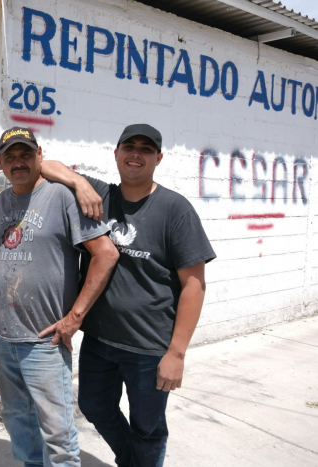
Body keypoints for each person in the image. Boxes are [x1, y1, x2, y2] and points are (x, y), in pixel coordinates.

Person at [41, 123, 216, 467]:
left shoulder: (175, 209)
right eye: (129, 147)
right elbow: (45, 165)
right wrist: (79, 183)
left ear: (158, 158)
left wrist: (176, 353)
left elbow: (194, 285)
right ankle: (132, 460)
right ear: (116, 153)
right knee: (94, 407)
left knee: (148, 428)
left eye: (146, 149)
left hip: (149, 347)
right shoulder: (101, 195)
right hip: (100, 341)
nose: (136, 154)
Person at [0, 127, 119, 467]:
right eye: (11, 157)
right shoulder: (0, 202)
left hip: (44, 342)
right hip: (4, 339)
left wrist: (75, 318)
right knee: (19, 423)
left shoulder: (61, 197)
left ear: (40, 156)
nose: (19, 162)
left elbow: (106, 254)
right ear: (0, 162)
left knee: (58, 437)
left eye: (26, 155)